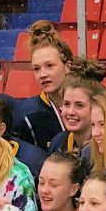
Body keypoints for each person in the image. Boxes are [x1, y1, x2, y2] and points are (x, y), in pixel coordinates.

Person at [12, 20, 72, 150]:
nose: (42, 74)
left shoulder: (91, 106)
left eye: (49, 66)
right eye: (36, 69)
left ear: (67, 67)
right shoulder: (26, 116)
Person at [47, 57, 106, 155]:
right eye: (66, 104)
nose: (70, 112)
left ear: (96, 108)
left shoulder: (103, 147)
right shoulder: (58, 144)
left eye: (79, 105)